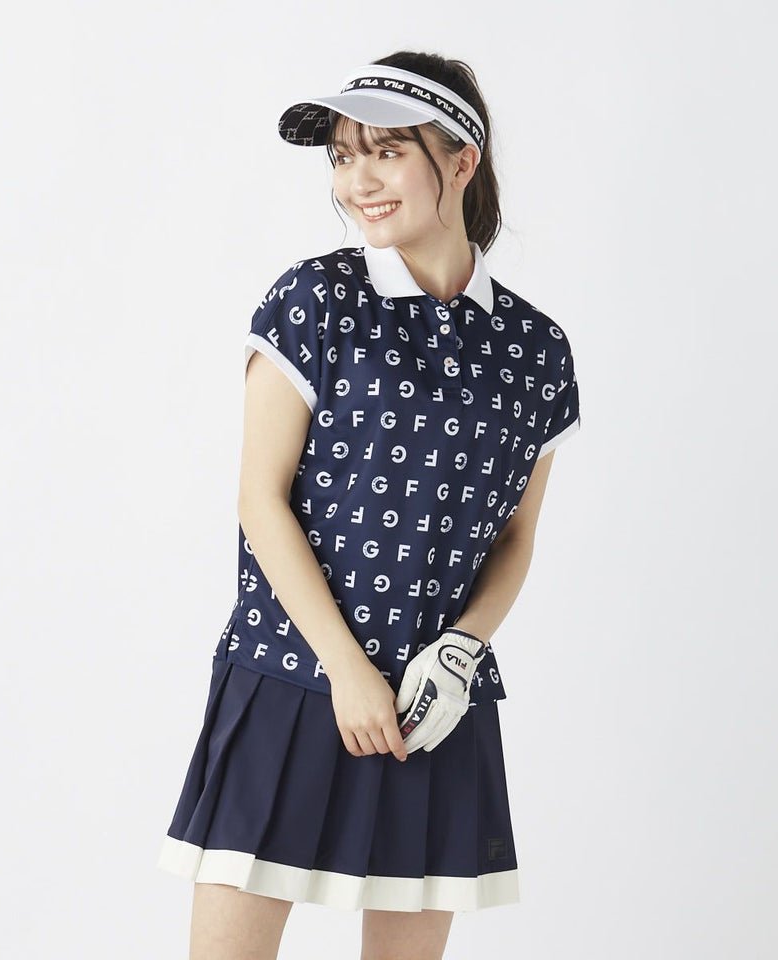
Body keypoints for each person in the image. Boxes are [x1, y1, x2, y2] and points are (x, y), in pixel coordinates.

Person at [157, 50, 582, 960]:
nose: (359, 181)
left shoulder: (537, 349)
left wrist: (462, 650)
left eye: (387, 152)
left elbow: (515, 536)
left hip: (436, 706)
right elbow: (260, 499)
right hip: (291, 673)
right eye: (345, 157)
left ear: (461, 160)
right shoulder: (316, 299)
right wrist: (347, 669)